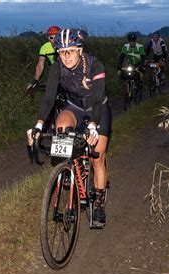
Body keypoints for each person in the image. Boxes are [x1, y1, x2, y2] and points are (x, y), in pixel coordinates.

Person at [28, 28, 112, 228]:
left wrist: (92, 126)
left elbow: (98, 99)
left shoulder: (94, 65)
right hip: (74, 106)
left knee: (98, 157)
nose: (66, 57)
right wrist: (39, 124)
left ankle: (99, 204)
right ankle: (71, 167)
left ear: (80, 50)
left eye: (71, 51)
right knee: (61, 127)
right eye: (61, 52)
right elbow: (49, 98)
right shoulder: (58, 67)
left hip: (97, 109)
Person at [26, 25, 61, 93]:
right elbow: (40, 64)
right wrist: (35, 80)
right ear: (48, 38)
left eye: (57, 37)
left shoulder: (66, 46)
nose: (54, 40)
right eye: (51, 37)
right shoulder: (45, 47)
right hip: (55, 72)